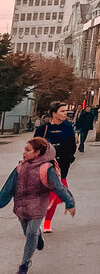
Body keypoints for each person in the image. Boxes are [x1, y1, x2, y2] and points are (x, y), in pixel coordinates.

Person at [0, 137, 75, 274]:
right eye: (24, 149)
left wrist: (70, 202)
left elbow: (59, 187)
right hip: (21, 207)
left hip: (38, 206)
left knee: (30, 233)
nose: (24, 153)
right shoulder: (20, 167)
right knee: (27, 232)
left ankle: (24, 264)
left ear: (38, 152)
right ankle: (38, 237)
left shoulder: (47, 169)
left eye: (28, 150)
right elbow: (8, 187)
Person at [34, 103, 75, 234]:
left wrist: (68, 157)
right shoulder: (43, 128)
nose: (65, 114)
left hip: (62, 165)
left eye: (66, 111)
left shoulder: (68, 127)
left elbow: (72, 145)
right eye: (62, 111)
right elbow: (34, 145)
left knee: (58, 191)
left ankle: (47, 222)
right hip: (44, 164)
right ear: (54, 113)